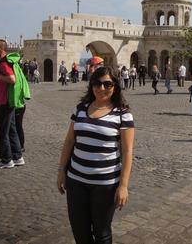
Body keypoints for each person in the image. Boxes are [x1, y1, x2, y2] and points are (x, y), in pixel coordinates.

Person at [57, 67, 135, 244]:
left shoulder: (123, 114)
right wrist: (62, 170)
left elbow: (127, 151)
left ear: (115, 86)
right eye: (97, 83)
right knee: (80, 232)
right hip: (76, 181)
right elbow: (69, 141)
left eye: (107, 84)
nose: (101, 88)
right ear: (91, 85)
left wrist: (123, 186)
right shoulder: (80, 109)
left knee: (102, 233)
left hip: (105, 185)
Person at [0, 39, 24, 169]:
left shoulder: (4, 62)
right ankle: (17, 156)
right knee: (11, 129)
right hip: (9, 100)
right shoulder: (4, 61)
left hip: (5, 100)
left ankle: (6, 160)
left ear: (0, 49)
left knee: (2, 131)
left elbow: (12, 79)